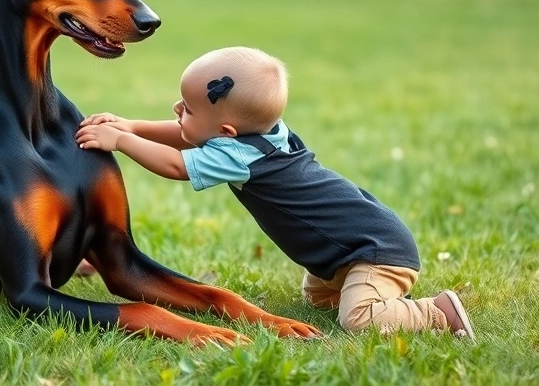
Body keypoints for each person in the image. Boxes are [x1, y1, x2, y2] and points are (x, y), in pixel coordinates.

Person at [76, 47, 474, 339]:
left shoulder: (239, 156)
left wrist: (121, 142)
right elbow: (186, 136)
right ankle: (369, 292)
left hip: (375, 251)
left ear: (227, 132)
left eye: (188, 109)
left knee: (359, 320)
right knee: (319, 301)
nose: (177, 109)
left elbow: (175, 164)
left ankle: (436, 312)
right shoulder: (263, 133)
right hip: (345, 251)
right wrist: (130, 126)